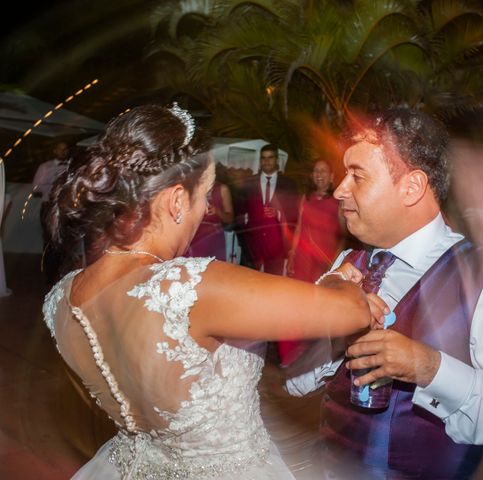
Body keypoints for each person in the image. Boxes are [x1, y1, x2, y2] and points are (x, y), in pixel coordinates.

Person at [41, 104, 379, 479]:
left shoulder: (60, 299)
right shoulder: (188, 288)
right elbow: (352, 312)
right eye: (204, 195)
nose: (206, 209)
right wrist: (338, 279)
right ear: (175, 202)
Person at [286, 107, 483, 479]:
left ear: (412, 187)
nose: (339, 190)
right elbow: (294, 384)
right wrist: (329, 322)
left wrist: (431, 368)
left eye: (357, 176)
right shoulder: (347, 264)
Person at [279, 160, 346, 366]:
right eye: (316, 171)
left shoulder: (339, 202)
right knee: (298, 305)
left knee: (319, 308)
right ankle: (293, 354)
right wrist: (291, 253)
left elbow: (344, 235)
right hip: (302, 259)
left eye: (324, 171)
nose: (319, 175)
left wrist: (336, 261)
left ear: (332, 176)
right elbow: (299, 227)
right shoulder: (305, 198)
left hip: (324, 262)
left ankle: (315, 358)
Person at [236, 144, 299, 274]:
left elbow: (295, 215)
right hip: (252, 246)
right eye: (263, 158)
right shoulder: (249, 183)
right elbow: (239, 215)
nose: (266, 161)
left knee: (272, 284)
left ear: (276, 160)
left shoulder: (289, 184)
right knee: (247, 282)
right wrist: (244, 243)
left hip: (276, 245)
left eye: (270, 157)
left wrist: (279, 214)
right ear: (260, 161)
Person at [32, 141, 71, 283]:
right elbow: (35, 189)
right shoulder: (45, 167)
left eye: (65, 149)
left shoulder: (71, 166)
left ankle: (62, 274)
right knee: (50, 240)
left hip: (65, 206)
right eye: (60, 149)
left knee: (65, 240)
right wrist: (51, 182)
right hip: (48, 206)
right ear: (54, 151)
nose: (63, 152)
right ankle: (49, 275)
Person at [186, 177, 234, 260]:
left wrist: (218, 211)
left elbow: (230, 219)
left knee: (214, 268)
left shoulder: (221, 189)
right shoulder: (190, 187)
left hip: (213, 236)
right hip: (192, 235)